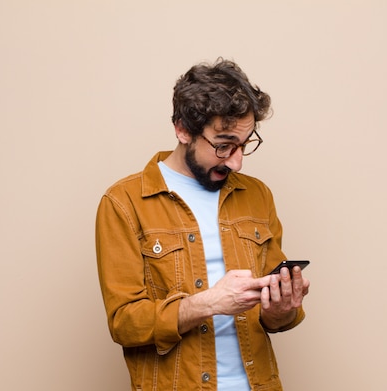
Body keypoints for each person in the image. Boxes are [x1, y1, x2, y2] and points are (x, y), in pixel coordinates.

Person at [95, 58, 310, 391]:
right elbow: (124, 323)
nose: (236, 161)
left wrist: (282, 308)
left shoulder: (257, 195)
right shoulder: (124, 203)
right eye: (223, 145)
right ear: (182, 129)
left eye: (244, 144)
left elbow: (271, 318)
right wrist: (209, 302)